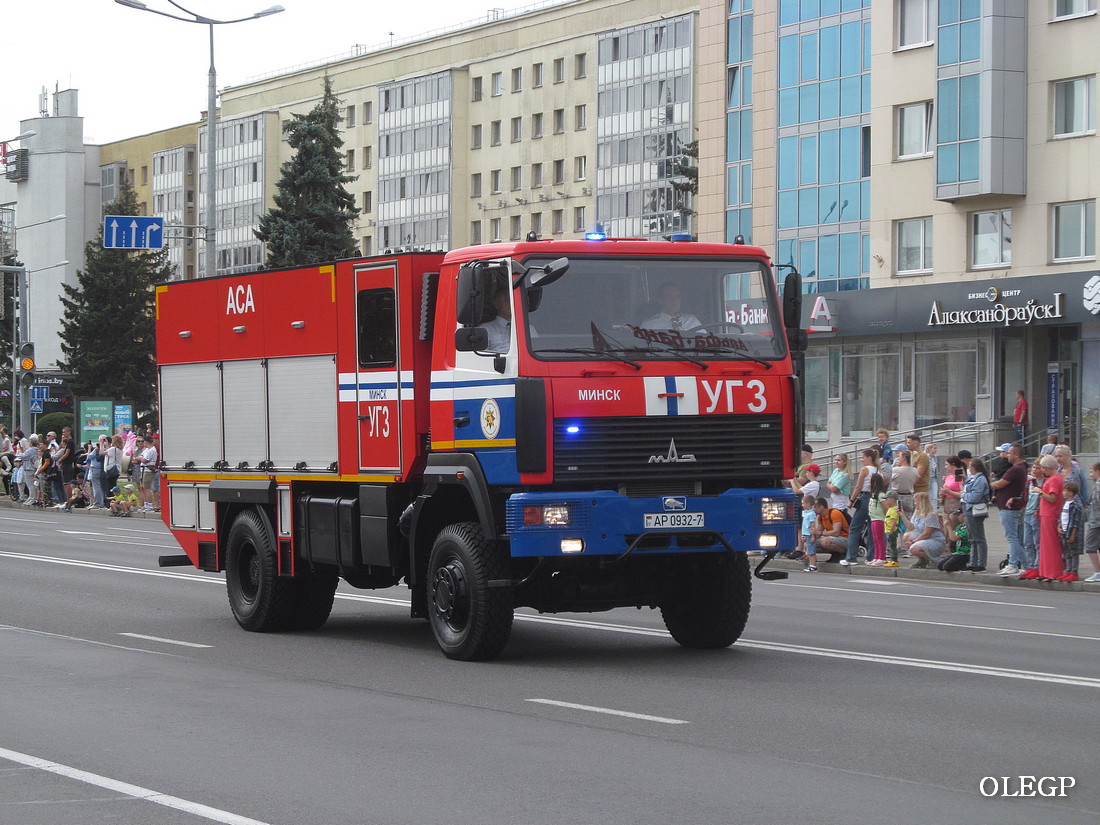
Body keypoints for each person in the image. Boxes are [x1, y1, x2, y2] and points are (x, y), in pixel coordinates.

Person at [992, 444, 1028, 577]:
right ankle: (1028, 565)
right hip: (1013, 507)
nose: (1007, 455)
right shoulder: (1021, 468)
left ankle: (1013, 564)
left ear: (1016, 455)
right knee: (1017, 538)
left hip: (1009, 508)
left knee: (1012, 537)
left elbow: (1000, 483)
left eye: (1009, 453)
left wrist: (989, 484)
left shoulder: (1015, 469)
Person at [842, 448, 879, 566]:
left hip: (864, 498)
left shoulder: (865, 470)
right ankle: (871, 557)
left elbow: (858, 487)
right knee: (871, 528)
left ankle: (851, 557)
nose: (861, 460)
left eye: (862, 457)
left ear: (869, 458)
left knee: (854, 528)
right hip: (875, 498)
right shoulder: (878, 469)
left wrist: (851, 500)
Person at [1035, 455, 1064, 582]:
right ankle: (1046, 571)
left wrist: (1040, 492)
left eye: (1043, 468)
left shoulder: (1054, 480)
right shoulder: (1055, 478)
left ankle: (1052, 572)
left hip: (1050, 514)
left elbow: (1052, 498)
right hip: (1046, 513)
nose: (1042, 470)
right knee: (1046, 545)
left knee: (1051, 545)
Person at [961, 456, 992, 572]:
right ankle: (973, 562)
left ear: (974, 468)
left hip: (974, 510)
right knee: (972, 538)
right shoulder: (974, 478)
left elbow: (975, 497)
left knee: (978, 537)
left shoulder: (980, 480)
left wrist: (963, 495)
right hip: (968, 509)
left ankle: (981, 563)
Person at [902, 492, 948, 568]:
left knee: (914, 548)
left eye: (917, 501)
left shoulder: (931, 515)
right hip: (924, 538)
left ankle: (935, 560)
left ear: (923, 503)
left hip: (935, 540)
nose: (915, 503)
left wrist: (914, 542)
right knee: (907, 536)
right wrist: (902, 515)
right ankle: (922, 560)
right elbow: (911, 527)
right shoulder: (916, 513)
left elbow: (927, 533)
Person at [1017, 461, 1044, 580]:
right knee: (1027, 542)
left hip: (1036, 515)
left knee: (1037, 542)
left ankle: (1037, 567)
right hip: (1027, 513)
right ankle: (1030, 566)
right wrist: (1014, 499)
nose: (1034, 470)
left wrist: (1039, 510)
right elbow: (1024, 498)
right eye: (1033, 467)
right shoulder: (1030, 482)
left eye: (1037, 468)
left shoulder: (1044, 483)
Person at [1057, 480, 1084, 582]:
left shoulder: (1076, 505)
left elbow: (1075, 522)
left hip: (1071, 533)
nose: (1063, 493)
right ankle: (1067, 571)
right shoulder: (1065, 503)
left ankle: (1073, 572)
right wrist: (1059, 525)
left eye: (1065, 491)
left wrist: (1072, 534)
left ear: (1071, 493)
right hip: (1064, 531)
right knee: (1066, 553)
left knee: (1073, 553)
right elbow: (1062, 516)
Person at [810, 496, 850, 563]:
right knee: (811, 545)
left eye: (815, 507)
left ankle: (844, 553)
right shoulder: (820, 517)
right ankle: (834, 553)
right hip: (833, 538)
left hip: (844, 538)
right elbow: (819, 531)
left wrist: (821, 533)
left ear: (821, 507)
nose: (813, 509)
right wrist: (810, 536)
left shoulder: (834, 513)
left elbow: (836, 532)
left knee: (825, 541)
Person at [481, 275, 513, 353]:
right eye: (507, 300)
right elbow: (480, 358)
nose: (511, 303)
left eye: (512, 300)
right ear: (496, 304)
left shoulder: (529, 328)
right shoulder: (485, 329)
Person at [866, 473, 888, 566]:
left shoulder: (881, 494)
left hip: (879, 519)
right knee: (875, 539)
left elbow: (885, 507)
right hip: (873, 519)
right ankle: (876, 556)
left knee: (880, 539)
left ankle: (881, 557)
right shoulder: (873, 494)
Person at [1084, 463, 1100, 583]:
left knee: (1090, 545)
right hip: (1096, 520)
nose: (1091, 474)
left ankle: (1097, 572)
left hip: (1096, 521)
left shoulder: (1098, 485)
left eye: (1092, 471)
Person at [890, 449, 917, 517]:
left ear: (904, 458)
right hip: (909, 497)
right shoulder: (915, 470)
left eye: (899, 456)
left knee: (895, 518)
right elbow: (916, 480)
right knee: (908, 517)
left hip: (896, 497)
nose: (898, 458)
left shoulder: (896, 470)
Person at [882, 491, 902, 567]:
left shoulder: (894, 509)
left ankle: (894, 560)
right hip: (887, 530)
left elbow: (894, 521)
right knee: (891, 546)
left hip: (892, 531)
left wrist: (891, 530)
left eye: (887, 499)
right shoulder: (890, 509)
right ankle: (892, 559)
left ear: (893, 499)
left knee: (893, 546)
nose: (886, 501)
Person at [799, 494, 817, 570]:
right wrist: (803, 535)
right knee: (808, 550)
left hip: (810, 534)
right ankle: (811, 564)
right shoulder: (806, 513)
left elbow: (812, 525)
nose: (802, 505)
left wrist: (813, 536)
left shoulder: (811, 514)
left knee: (811, 550)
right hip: (806, 533)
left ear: (809, 503)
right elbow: (804, 525)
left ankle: (813, 565)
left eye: (803, 503)